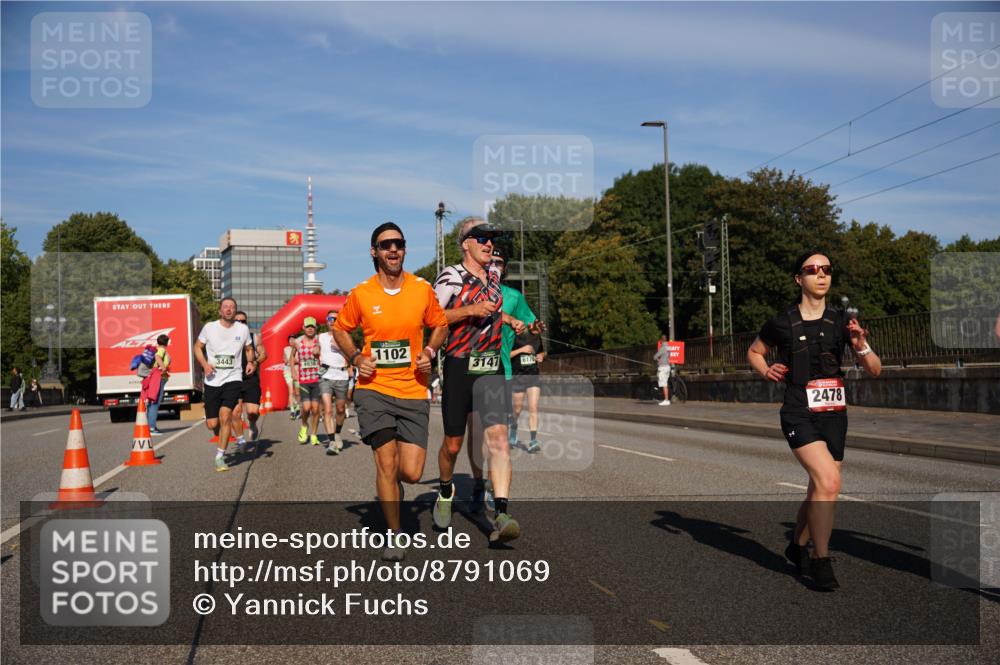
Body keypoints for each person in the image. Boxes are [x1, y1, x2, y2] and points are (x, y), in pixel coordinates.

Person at [747, 252, 881, 590]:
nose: (821, 275)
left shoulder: (841, 322)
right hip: (798, 410)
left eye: (826, 270)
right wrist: (766, 370)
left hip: (834, 414)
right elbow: (754, 351)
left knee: (820, 486)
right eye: (812, 270)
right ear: (798, 279)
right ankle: (820, 560)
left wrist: (861, 346)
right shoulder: (782, 322)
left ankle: (796, 545)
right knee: (829, 483)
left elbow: (875, 369)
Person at [333, 222, 448, 561]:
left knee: (411, 473)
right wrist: (356, 357)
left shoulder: (421, 289)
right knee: (386, 462)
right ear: (375, 252)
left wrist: (429, 352)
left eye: (398, 243)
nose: (393, 250)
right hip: (374, 390)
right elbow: (340, 330)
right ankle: (395, 535)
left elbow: (440, 324)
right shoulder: (362, 293)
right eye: (386, 245)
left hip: (413, 388)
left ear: (405, 249)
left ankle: (391, 488)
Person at [432, 217, 526, 544]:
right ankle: (445, 491)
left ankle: (501, 513)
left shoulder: (495, 275)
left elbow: (496, 311)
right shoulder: (451, 276)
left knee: (499, 440)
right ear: (465, 244)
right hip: (460, 367)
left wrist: (512, 321)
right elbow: (429, 316)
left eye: (492, 240)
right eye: (481, 238)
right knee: (454, 444)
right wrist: (469, 310)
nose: (489, 244)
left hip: (491, 368)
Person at [194, 297, 254, 472]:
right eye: (226, 307)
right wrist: (205, 365)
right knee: (213, 423)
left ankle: (220, 456)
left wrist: (250, 362)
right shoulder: (209, 328)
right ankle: (224, 437)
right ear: (220, 310)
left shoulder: (242, 329)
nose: (229, 309)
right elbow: (197, 347)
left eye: (232, 307)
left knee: (226, 415)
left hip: (233, 378)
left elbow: (249, 349)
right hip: (212, 380)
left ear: (235, 311)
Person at [230, 311, 266, 453]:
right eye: (237, 321)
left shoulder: (254, 337)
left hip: (250, 379)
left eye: (243, 321)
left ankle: (252, 423)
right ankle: (241, 441)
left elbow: (264, 354)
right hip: (233, 378)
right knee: (236, 412)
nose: (240, 323)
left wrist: (256, 363)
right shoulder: (226, 338)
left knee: (252, 412)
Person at [318, 310, 352, 455]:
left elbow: (353, 354)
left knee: (339, 409)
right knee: (328, 409)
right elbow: (303, 340)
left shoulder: (345, 337)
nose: (332, 321)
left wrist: (341, 349)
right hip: (325, 374)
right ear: (326, 321)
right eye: (330, 318)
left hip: (341, 374)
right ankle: (331, 441)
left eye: (335, 319)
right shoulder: (320, 337)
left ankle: (337, 432)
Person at [510, 322, 546, 453]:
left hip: (533, 376)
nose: (539, 330)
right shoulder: (513, 335)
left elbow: (542, 352)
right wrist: (521, 350)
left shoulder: (537, 337)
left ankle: (532, 441)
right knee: (517, 409)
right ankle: (513, 430)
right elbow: (505, 355)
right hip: (518, 376)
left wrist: (541, 356)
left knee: (533, 408)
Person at [291, 317, 323, 446]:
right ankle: (304, 425)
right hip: (304, 379)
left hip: (317, 379)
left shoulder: (319, 341)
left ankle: (314, 434)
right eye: (308, 326)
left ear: (315, 328)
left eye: (312, 326)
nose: (310, 329)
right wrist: (293, 371)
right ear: (303, 328)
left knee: (316, 409)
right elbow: (291, 357)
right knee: (306, 407)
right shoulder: (298, 343)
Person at [147, 334, 171, 435]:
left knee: (153, 401)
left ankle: (151, 426)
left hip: (156, 377)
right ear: (167, 342)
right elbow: (157, 357)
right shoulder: (161, 350)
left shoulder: (158, 349)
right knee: (155, 402)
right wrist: (163, 367)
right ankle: (151, 428)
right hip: (159, 378)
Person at [283, 334, 301, 420]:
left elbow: (299, 360)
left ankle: (297, 408)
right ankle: (292, 411)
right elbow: (285, 361)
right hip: (288, 371)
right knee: (291, 391)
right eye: (290, 340)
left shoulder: (299, 349)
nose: (291, 341)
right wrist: (291, 361)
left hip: (297, 372)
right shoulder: (285, 349)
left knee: (297, 392)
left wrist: (292, 361)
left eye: (293, 340)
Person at [653, 335, 672, 406]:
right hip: (667, 366)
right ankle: (666, 398)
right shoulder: (668, 347)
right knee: (665, 383)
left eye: (660, 340)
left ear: (661, 340)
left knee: (663, 384)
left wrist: (659, 360)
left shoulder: (662, 348)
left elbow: (655, 357)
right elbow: (668, 356)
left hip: (663, 367)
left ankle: (666, 400)